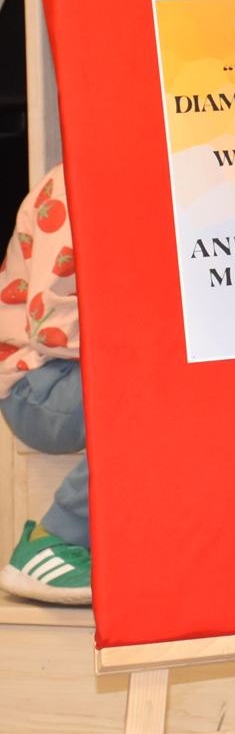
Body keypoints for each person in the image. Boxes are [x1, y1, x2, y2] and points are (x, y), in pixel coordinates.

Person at [0, 165, 89, 605]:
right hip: (36, 380)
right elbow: (53, 330)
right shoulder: (75, 185)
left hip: (78, 369)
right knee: (162, 380)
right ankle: (56, 536)